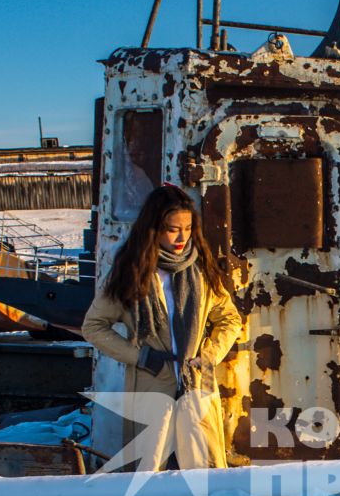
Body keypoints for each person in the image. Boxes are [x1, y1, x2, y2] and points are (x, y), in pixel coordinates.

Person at [82, 185, 242, 470]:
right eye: (172, 229)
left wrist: (208, 356)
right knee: (149, 472)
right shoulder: (132, 271)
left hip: (196, 384)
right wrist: (140, 357)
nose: (182, 237)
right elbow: (94, 327)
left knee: (204, 473)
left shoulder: (201, 267)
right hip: (152, 382)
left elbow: (229, 318)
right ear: (153, 228)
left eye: (188, 228)